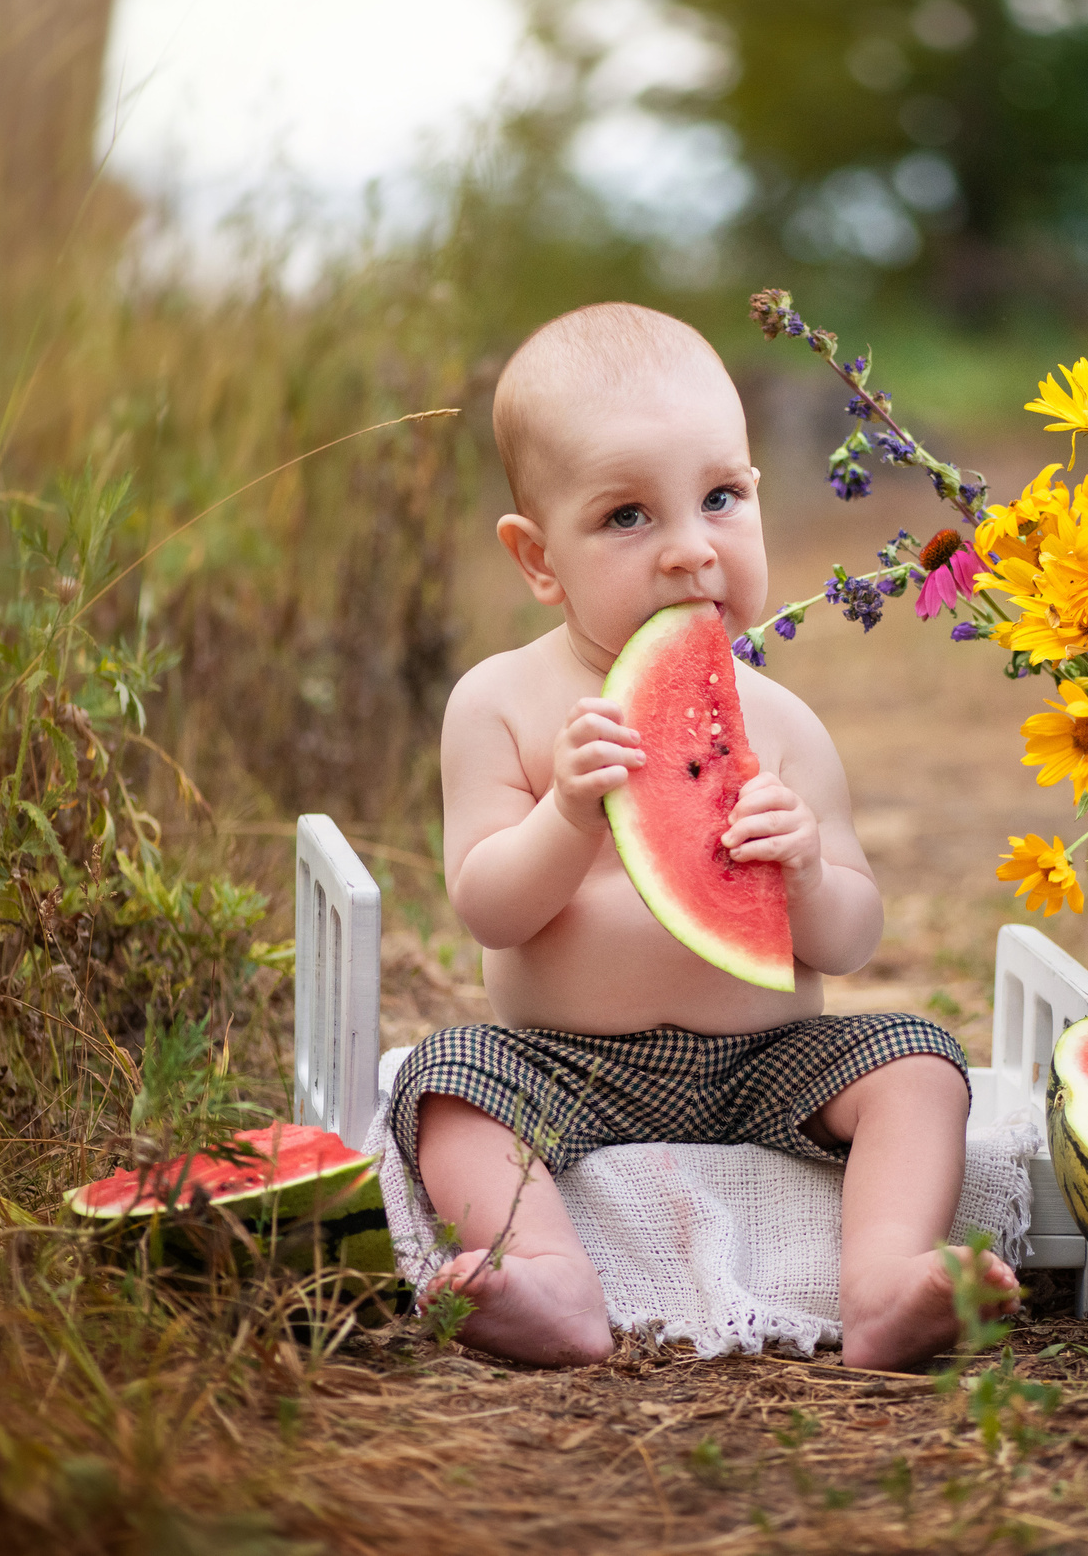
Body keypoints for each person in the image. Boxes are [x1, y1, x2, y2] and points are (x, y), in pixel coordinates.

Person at [396, 301, 1016, 1369]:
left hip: (767, 1063)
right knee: (445, 1078)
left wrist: (808, 869)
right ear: (539, 558)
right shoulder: (498, 702)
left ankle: (882, 1281)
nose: (691, 550)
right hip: (562, 1063)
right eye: (627, 516)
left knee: (921, 1063)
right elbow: (487, 906)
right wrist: (566, 814)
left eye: (720, 497)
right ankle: (546, 1275)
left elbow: (851, 937)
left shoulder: (782, 724)